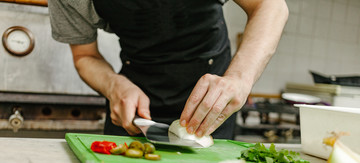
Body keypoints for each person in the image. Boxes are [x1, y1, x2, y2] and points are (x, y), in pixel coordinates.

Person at [48, 0, 288, 140]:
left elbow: (270, 5)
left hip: (213, 107)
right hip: (133, 109)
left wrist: (239, 79)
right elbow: (84, 55)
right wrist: (113, 85)